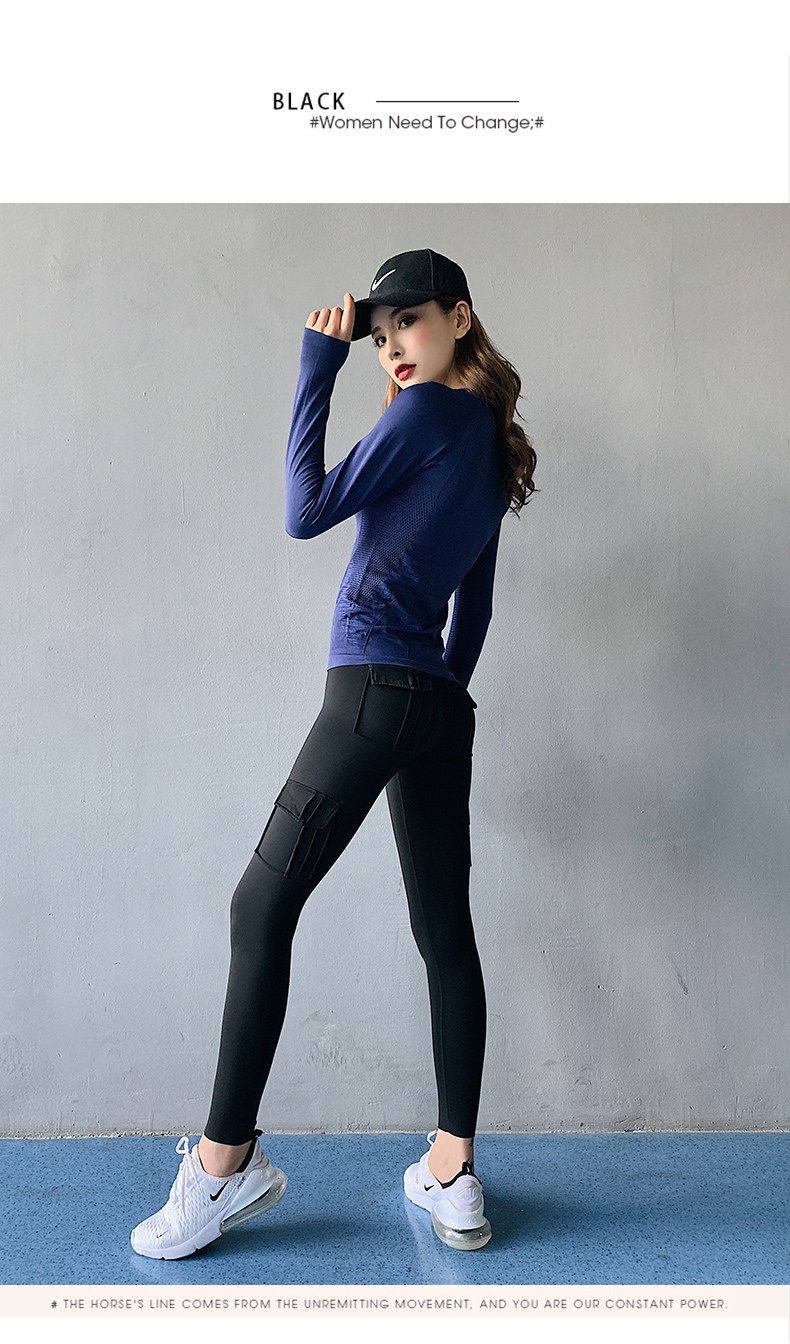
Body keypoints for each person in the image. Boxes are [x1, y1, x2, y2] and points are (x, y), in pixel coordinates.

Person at [130, 248, 537, 1259]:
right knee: (445, 933)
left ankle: (222, 1167)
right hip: (436, 706)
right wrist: (440, 694)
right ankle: (453, 1173)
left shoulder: (425, 413)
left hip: (371, 691)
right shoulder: (489, 442)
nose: (392, 346)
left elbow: (303, 512)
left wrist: (317, 368)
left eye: (411, 323)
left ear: (460, 318)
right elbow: (476, 609)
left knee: (257, 906)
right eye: (379, 333)